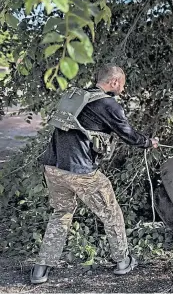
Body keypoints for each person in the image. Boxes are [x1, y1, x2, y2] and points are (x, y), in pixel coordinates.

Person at [30, 65, 159, 284]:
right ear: (115, 82)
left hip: (53, 167)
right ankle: (122, 262)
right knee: (111, 213)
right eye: (123, 84)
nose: (123, 88)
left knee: (61, 213)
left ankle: (40, 270)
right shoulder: (109, 105)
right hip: (82, 173)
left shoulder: (76, 96)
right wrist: (149, 142)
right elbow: (128, 135)